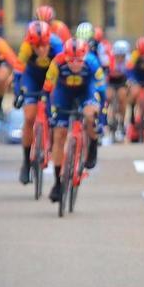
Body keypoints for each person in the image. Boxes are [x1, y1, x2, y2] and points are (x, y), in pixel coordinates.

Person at [44, 38, 105, 202]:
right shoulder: (57, 63)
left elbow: (102, 90)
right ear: (65, 56)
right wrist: (50, 115)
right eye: (71, 60)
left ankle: (92, 147)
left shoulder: (92, 62)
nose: (75, 64)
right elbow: (47, 91)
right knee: (59, 135)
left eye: (79, 60)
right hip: (63, 93)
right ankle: (57, 183)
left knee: (90, 115)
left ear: (85, 56)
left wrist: (102, 118)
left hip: (86, 91)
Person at [13, 21, 64, 185]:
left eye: (44, 45)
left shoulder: (57, 46)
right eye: (36, 46)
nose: (41, 49)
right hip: (32, 78)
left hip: (52, 78)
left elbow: (64, 72)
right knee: (29, 117)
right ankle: (26, 163)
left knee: (54, 112)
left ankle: (51, 141)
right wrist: (17, 93)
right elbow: (18, 72)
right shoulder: (26, 47)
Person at [108, 39, 130, 140]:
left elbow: (131, 75)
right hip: (111, 82)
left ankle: (121, 122)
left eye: (123, 56)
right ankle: (109, 120)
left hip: (122, 82)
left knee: (122, 97)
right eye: (118, 56)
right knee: (108, 96)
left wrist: (129, 84)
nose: (120, 58)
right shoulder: (109, 60)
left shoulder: (129, 61)